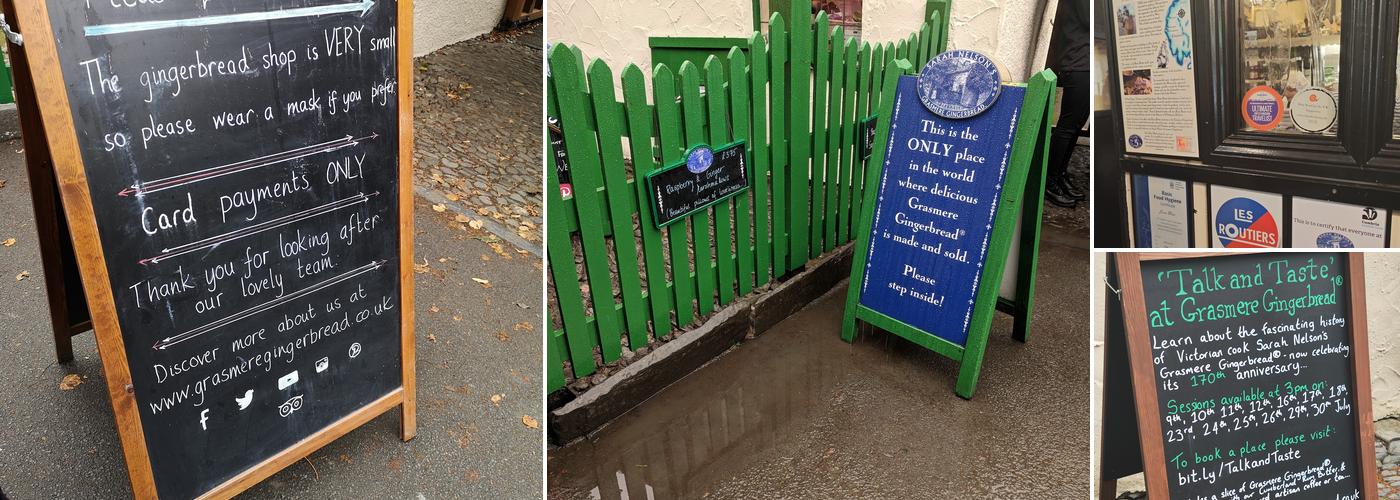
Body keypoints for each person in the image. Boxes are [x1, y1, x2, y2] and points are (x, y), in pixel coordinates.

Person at [1045, 0, 1089, 208]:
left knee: (1075, 127)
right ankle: (1049, 181)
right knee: (1067, 127)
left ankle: (1059, 175)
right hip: (1079, 64)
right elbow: (1090, 19)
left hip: (1086, 62)